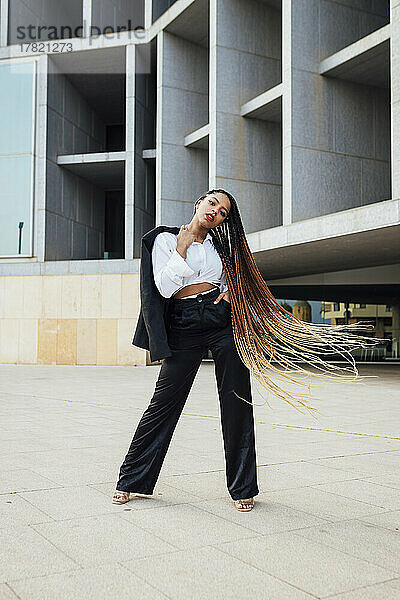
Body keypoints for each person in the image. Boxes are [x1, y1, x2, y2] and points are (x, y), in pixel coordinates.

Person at [113, 190, 258, 512]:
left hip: (220, 319)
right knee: (163, 403)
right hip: (183, 321)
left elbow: (233, 278)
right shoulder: (164, 240)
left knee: (237, 401)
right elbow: (164, 288)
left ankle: (243, 488)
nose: (215, 212)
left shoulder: (221, 247)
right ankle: (132, 481)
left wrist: (231, 293)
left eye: (222, 212)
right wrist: (182, 248)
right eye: (212, 204)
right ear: (198, 203)